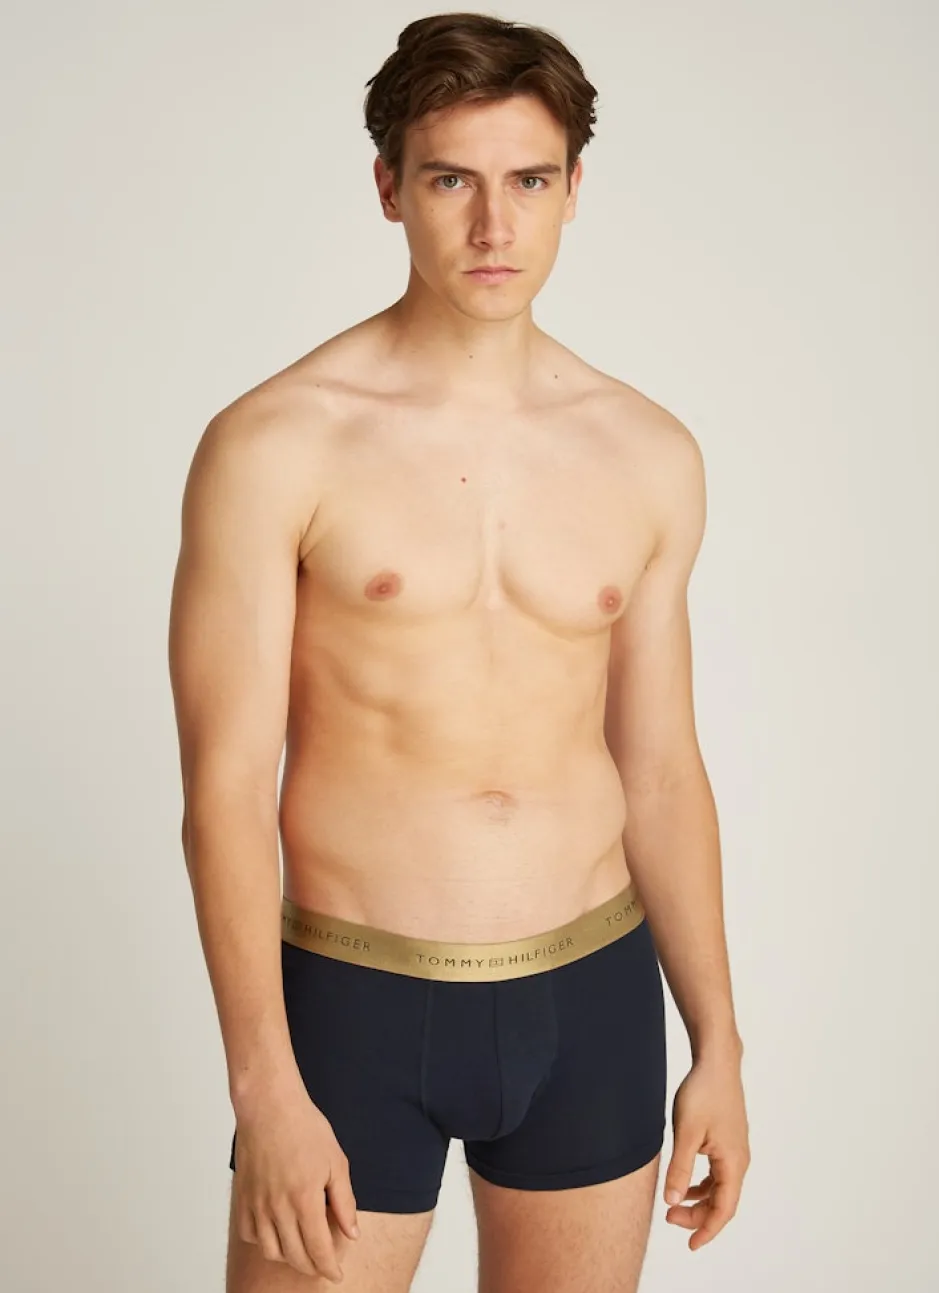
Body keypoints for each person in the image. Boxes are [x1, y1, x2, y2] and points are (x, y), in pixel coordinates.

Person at [168, 11, 750, 1292]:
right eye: (451, 182)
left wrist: (718, 1041)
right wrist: (265, 1086)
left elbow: (661, 768)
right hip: (353, 1003)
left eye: (528, 182)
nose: (494, 226)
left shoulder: (648, 451)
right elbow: (224, 788)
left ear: (573, 191)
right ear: (389, 188)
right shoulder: (276, 444)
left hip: (593, 996)